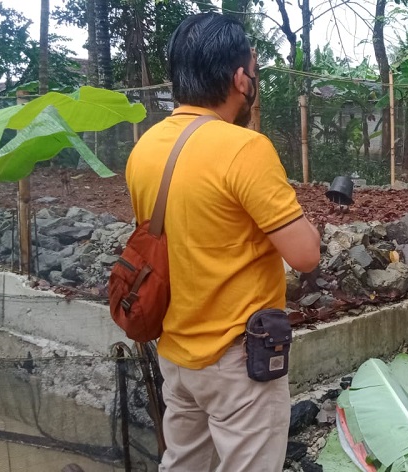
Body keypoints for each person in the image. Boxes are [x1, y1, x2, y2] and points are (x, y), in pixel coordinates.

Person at [125, 13, 321, 471]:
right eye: (253, 70)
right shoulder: (245, 149)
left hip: (175, 352)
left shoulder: (145, 149)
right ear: (240, 79)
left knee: (184, 463)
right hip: (237, 362)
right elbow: (305, 255)